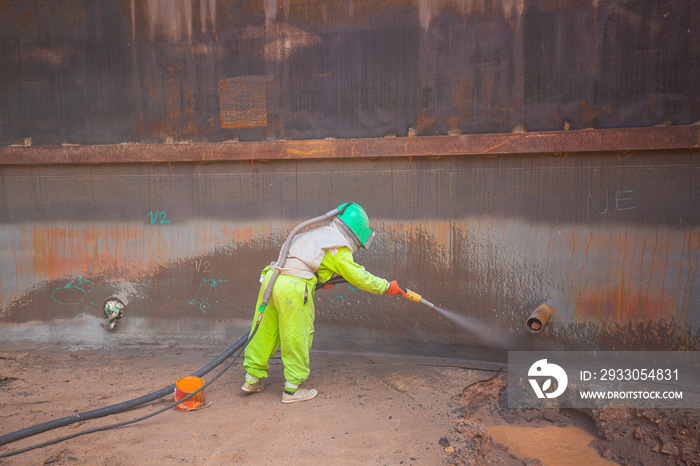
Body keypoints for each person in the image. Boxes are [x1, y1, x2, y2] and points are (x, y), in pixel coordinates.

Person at [241, 202, 407, 403]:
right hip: (293, 287)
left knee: (265, 331)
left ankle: (252, 379)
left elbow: (303, 260)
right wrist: (386, 286)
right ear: (357, 232)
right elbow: (360, 277)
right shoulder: (339, 247)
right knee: (296, 334)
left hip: (272, 278)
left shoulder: (317, 234)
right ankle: (292, 390)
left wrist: (321, 280)